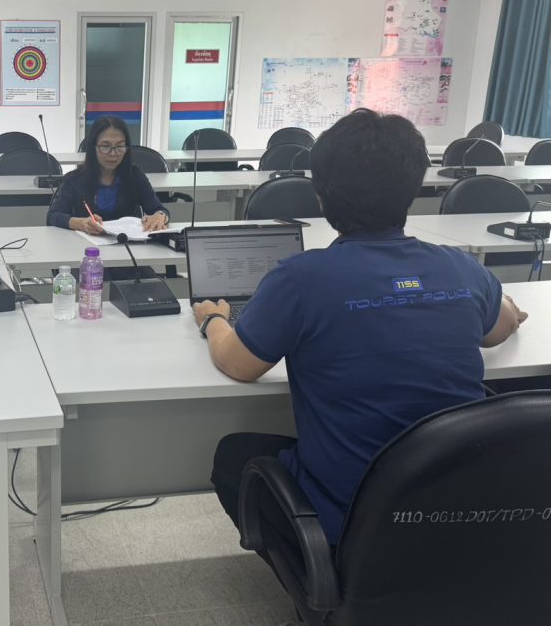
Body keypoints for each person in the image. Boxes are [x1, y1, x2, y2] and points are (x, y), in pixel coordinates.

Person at [194, 108, 527, 550]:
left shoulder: (300, 278)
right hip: (454, 499)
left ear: (320, 196)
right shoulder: (462, 268)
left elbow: (238, 363)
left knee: (235, 456)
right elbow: (500, 328)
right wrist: (506, 303)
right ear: (413, 189)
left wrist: (214, 320)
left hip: (358, 517)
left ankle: (329, 573)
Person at [47, 115, 169, 233]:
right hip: (86, 244)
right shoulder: (74, 179)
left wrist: (160, 216)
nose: (113, 154)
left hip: (126, 243)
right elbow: (52, 216)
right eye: (105, 146)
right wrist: (80, 223)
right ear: (93, 148)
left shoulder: (135, 176)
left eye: (120, 146)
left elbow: (160, 209)